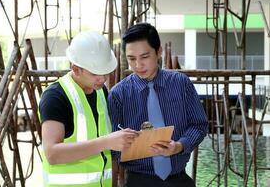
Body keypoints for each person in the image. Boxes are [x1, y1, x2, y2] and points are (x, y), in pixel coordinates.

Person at [108, 23, 209, 187]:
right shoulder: (118, 95)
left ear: (159, 51)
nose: (138, 65)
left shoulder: (181, 83)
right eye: (131, 59)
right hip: (138, 181)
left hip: (179, 179)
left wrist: (179, 146)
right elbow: (111, 148)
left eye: (145, 56)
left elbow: (200, 125)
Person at [39, 31, 139, 187]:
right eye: (95, 74)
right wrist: (106, 142)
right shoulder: (55, 96)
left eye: (105, 72)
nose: (103, 79)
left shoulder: (100, 92)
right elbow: (52, 153)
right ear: (76, 69)